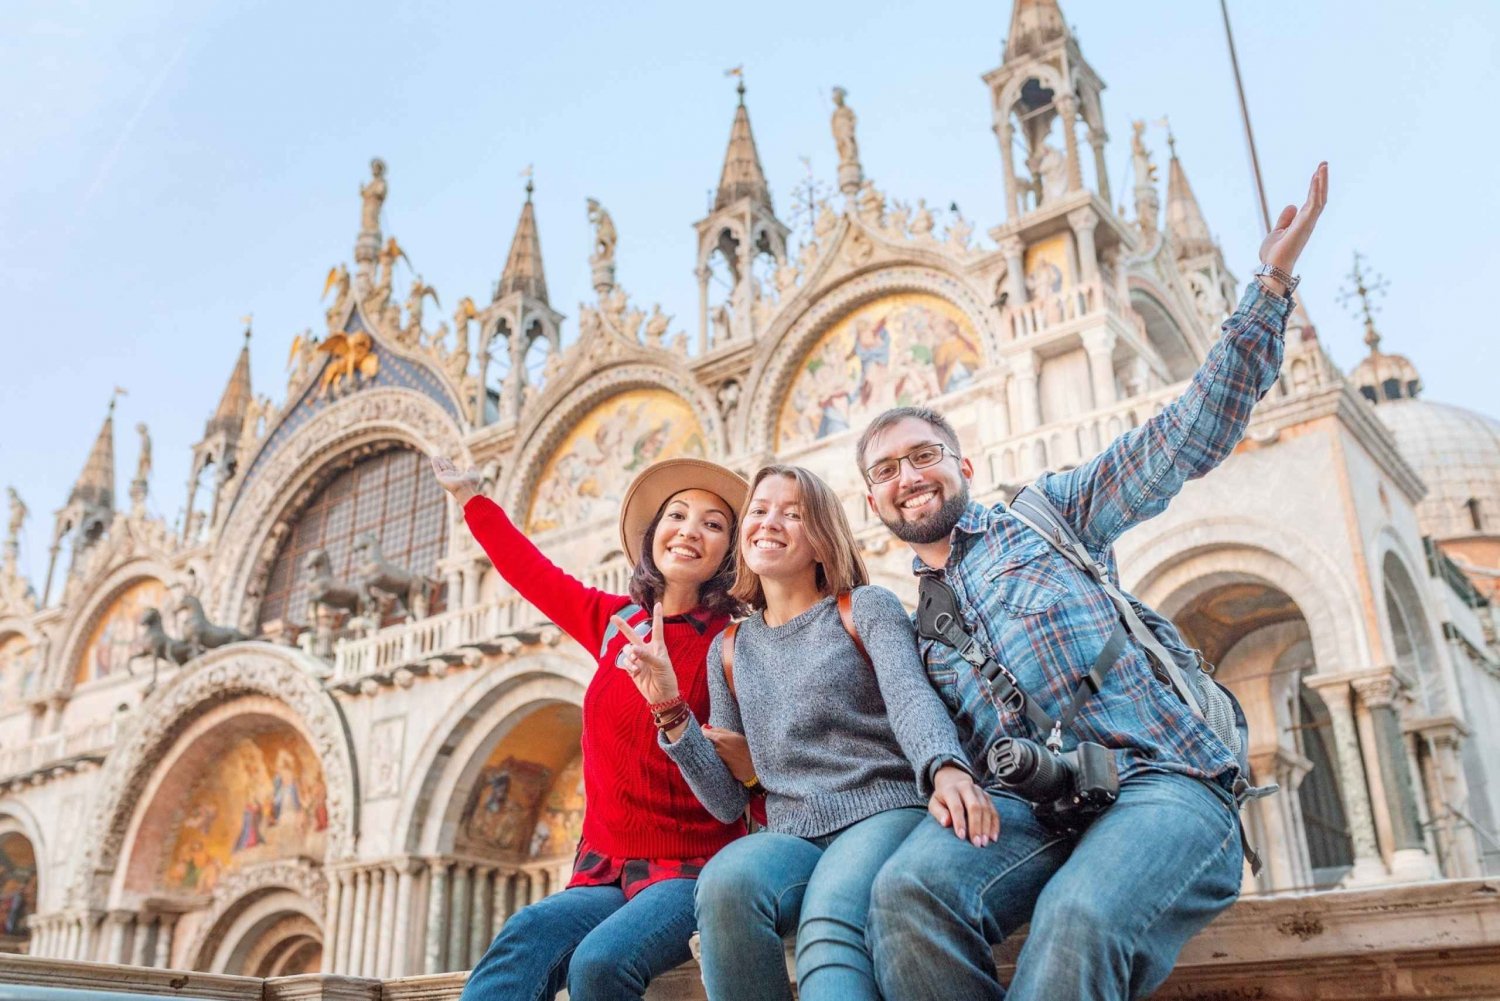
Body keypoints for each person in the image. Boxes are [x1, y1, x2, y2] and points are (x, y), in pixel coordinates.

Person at [857, 163, 1329, 1001]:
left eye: (924, 455)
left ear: (963, 464)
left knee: (1078, 916)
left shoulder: (1049, 515)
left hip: (1165, 783)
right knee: (905, 893)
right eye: (888, 469)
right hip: (1035, 810)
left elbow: (1185, 435)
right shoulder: (905, 626)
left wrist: (1271, 284)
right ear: (872, 499)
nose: (910, 477)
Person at [613, 463, 996, 1001]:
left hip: (882, 812)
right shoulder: (731, 648)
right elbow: (727, 802)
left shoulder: (864, 607)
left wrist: (946, 767)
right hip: (790, 834)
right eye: (760, 511)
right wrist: (669, 709)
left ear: (821, 539)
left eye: (792, 514)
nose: (769, 523)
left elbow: (912, 698)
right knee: (724, 884)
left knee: (829, 918)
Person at [431, 455, 750, 1001]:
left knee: (601, 963)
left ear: (729, 552)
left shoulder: (737, 645)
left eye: (713, 524)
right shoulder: (613, 624)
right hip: (605, 872)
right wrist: (471, 500)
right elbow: (530, 573)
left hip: (691, 873)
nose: (690, 531)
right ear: (654, 535)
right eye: (677, 514)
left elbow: (737, 784)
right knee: (523, 937)